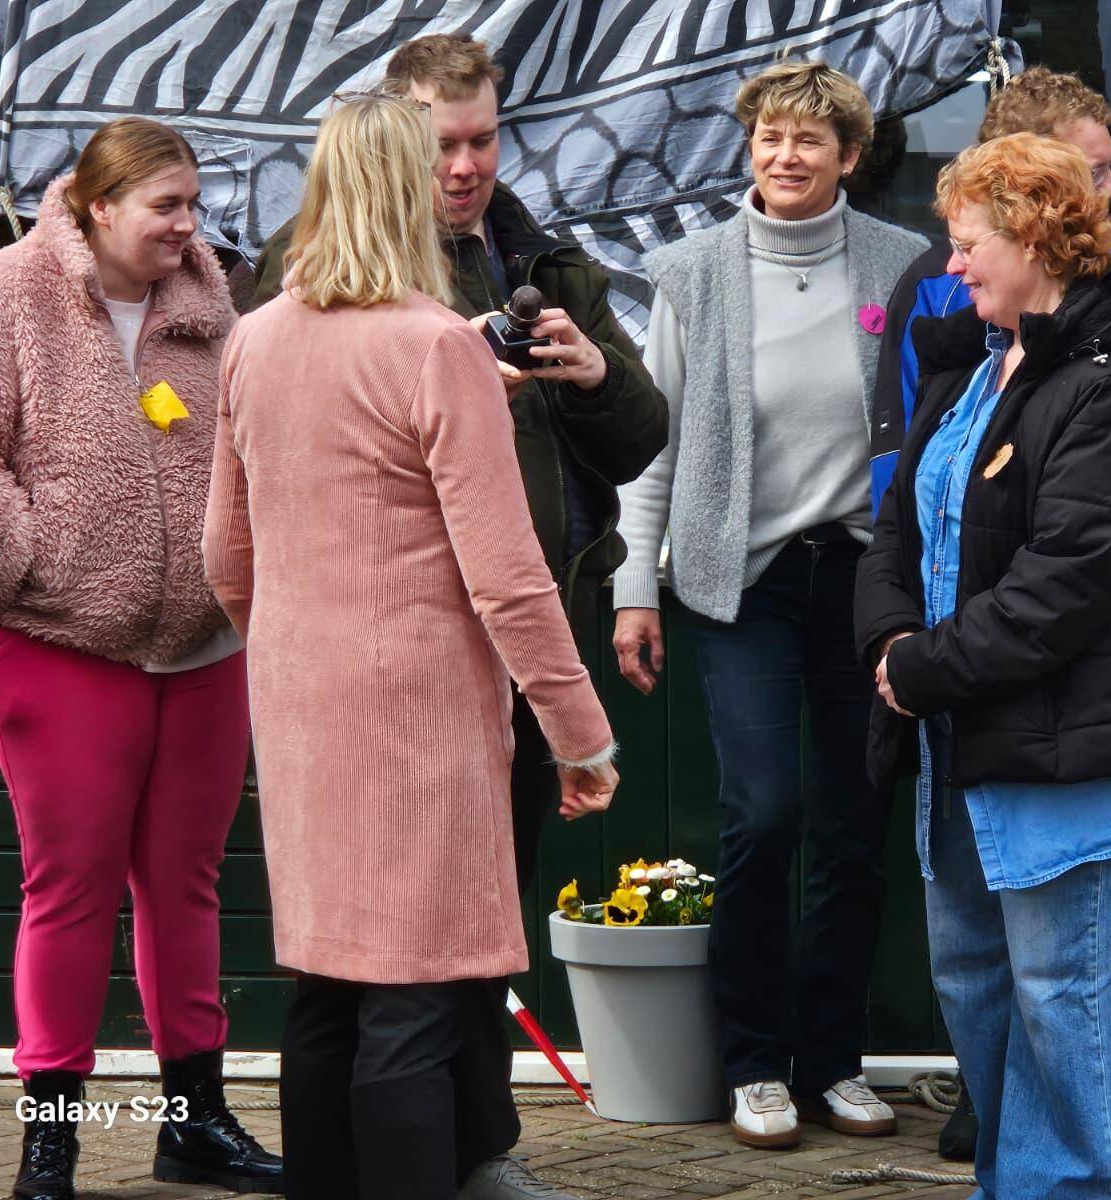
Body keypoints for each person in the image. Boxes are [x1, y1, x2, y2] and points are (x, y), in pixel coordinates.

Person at [204, 93, 619, 1200]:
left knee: (327, 987)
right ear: (402, 193)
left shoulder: (253, 341)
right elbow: (510, 578)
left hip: (299, 709)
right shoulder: (436, 348)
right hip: (418, 716)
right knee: (415, 998)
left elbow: (223, 556)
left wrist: (301, 652)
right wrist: (579, 734)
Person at [0, 117, 282, 1200]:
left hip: (198, 643)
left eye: (194, 206)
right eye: (165, 208)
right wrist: (27, 560)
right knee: (71, 882)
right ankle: (52, 1142)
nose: (190, 229)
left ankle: (194, 1121)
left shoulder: (210, 305)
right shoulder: (5, 294)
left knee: (186, 885)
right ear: (94, 204)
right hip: (48, 633)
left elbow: (240, 446)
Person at [250, 33, 665, 898]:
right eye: (444, 144)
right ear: (400, 140)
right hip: (398, 642)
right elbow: (276, 454)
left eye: (484, 140)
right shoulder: (309, 263)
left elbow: (640, 440)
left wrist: (594, 376)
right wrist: (459, 393)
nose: (466, 166)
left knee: (495, 893)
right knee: (390, 906)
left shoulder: (545, 263)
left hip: (538, 627)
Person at [854, 131, 1111, 1198]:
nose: (950, 268)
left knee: (1061, 993)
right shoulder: (967, 372)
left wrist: (923, 669)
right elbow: (894, 530)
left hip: (1066, 750)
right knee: (979, 987)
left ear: (1035, 237)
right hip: (960, 743)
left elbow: (1071, 580)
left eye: (968, 243)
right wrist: (889, 643)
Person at [611, 59, 925, 1149]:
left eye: (808, 141)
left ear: (847, 155)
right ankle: (752, 1062)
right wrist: (631, 587)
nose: (784, 158)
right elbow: (650, 443)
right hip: (738, 580)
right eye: (767, 140)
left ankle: (831, 1059)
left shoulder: (901, 262)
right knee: (764, 813)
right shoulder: (693, 271)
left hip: (860, 578)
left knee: (853, 821)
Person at [869, 66, 1111, 518]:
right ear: (1033, 182)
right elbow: (898, 447)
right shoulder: (937, 286)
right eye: (1095, 173)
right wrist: (898, 565)